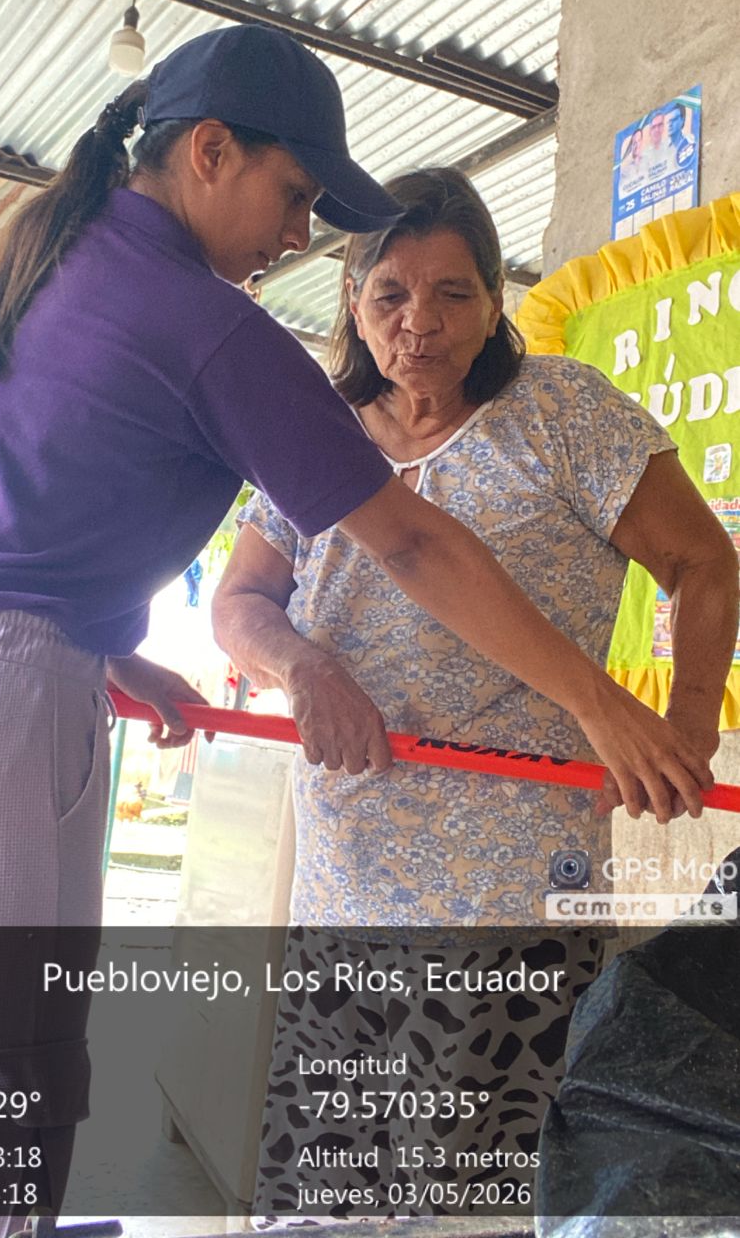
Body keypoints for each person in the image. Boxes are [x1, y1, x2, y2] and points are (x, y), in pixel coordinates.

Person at [0, 30, 720, 1233]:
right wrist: (600, 702)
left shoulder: (45, 263)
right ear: (211, 151)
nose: (300, 234)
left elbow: (2, 524)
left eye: (455, 291)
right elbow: (411, 546)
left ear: (496, 301)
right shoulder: (214, 327)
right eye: (297, 195)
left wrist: (96, 645)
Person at [212, 168, 738, 1219]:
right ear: (352, 301)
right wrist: (303, 666)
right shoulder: (321, 430)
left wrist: (683, 726)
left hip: (512, 902)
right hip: (343, 889)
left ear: (497, 303)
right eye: (391, 294)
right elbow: (240, 603)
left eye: (454, 293)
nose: (421, 323)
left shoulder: (562, 412)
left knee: (473, 1200)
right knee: (325, 1192)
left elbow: (705, 562)